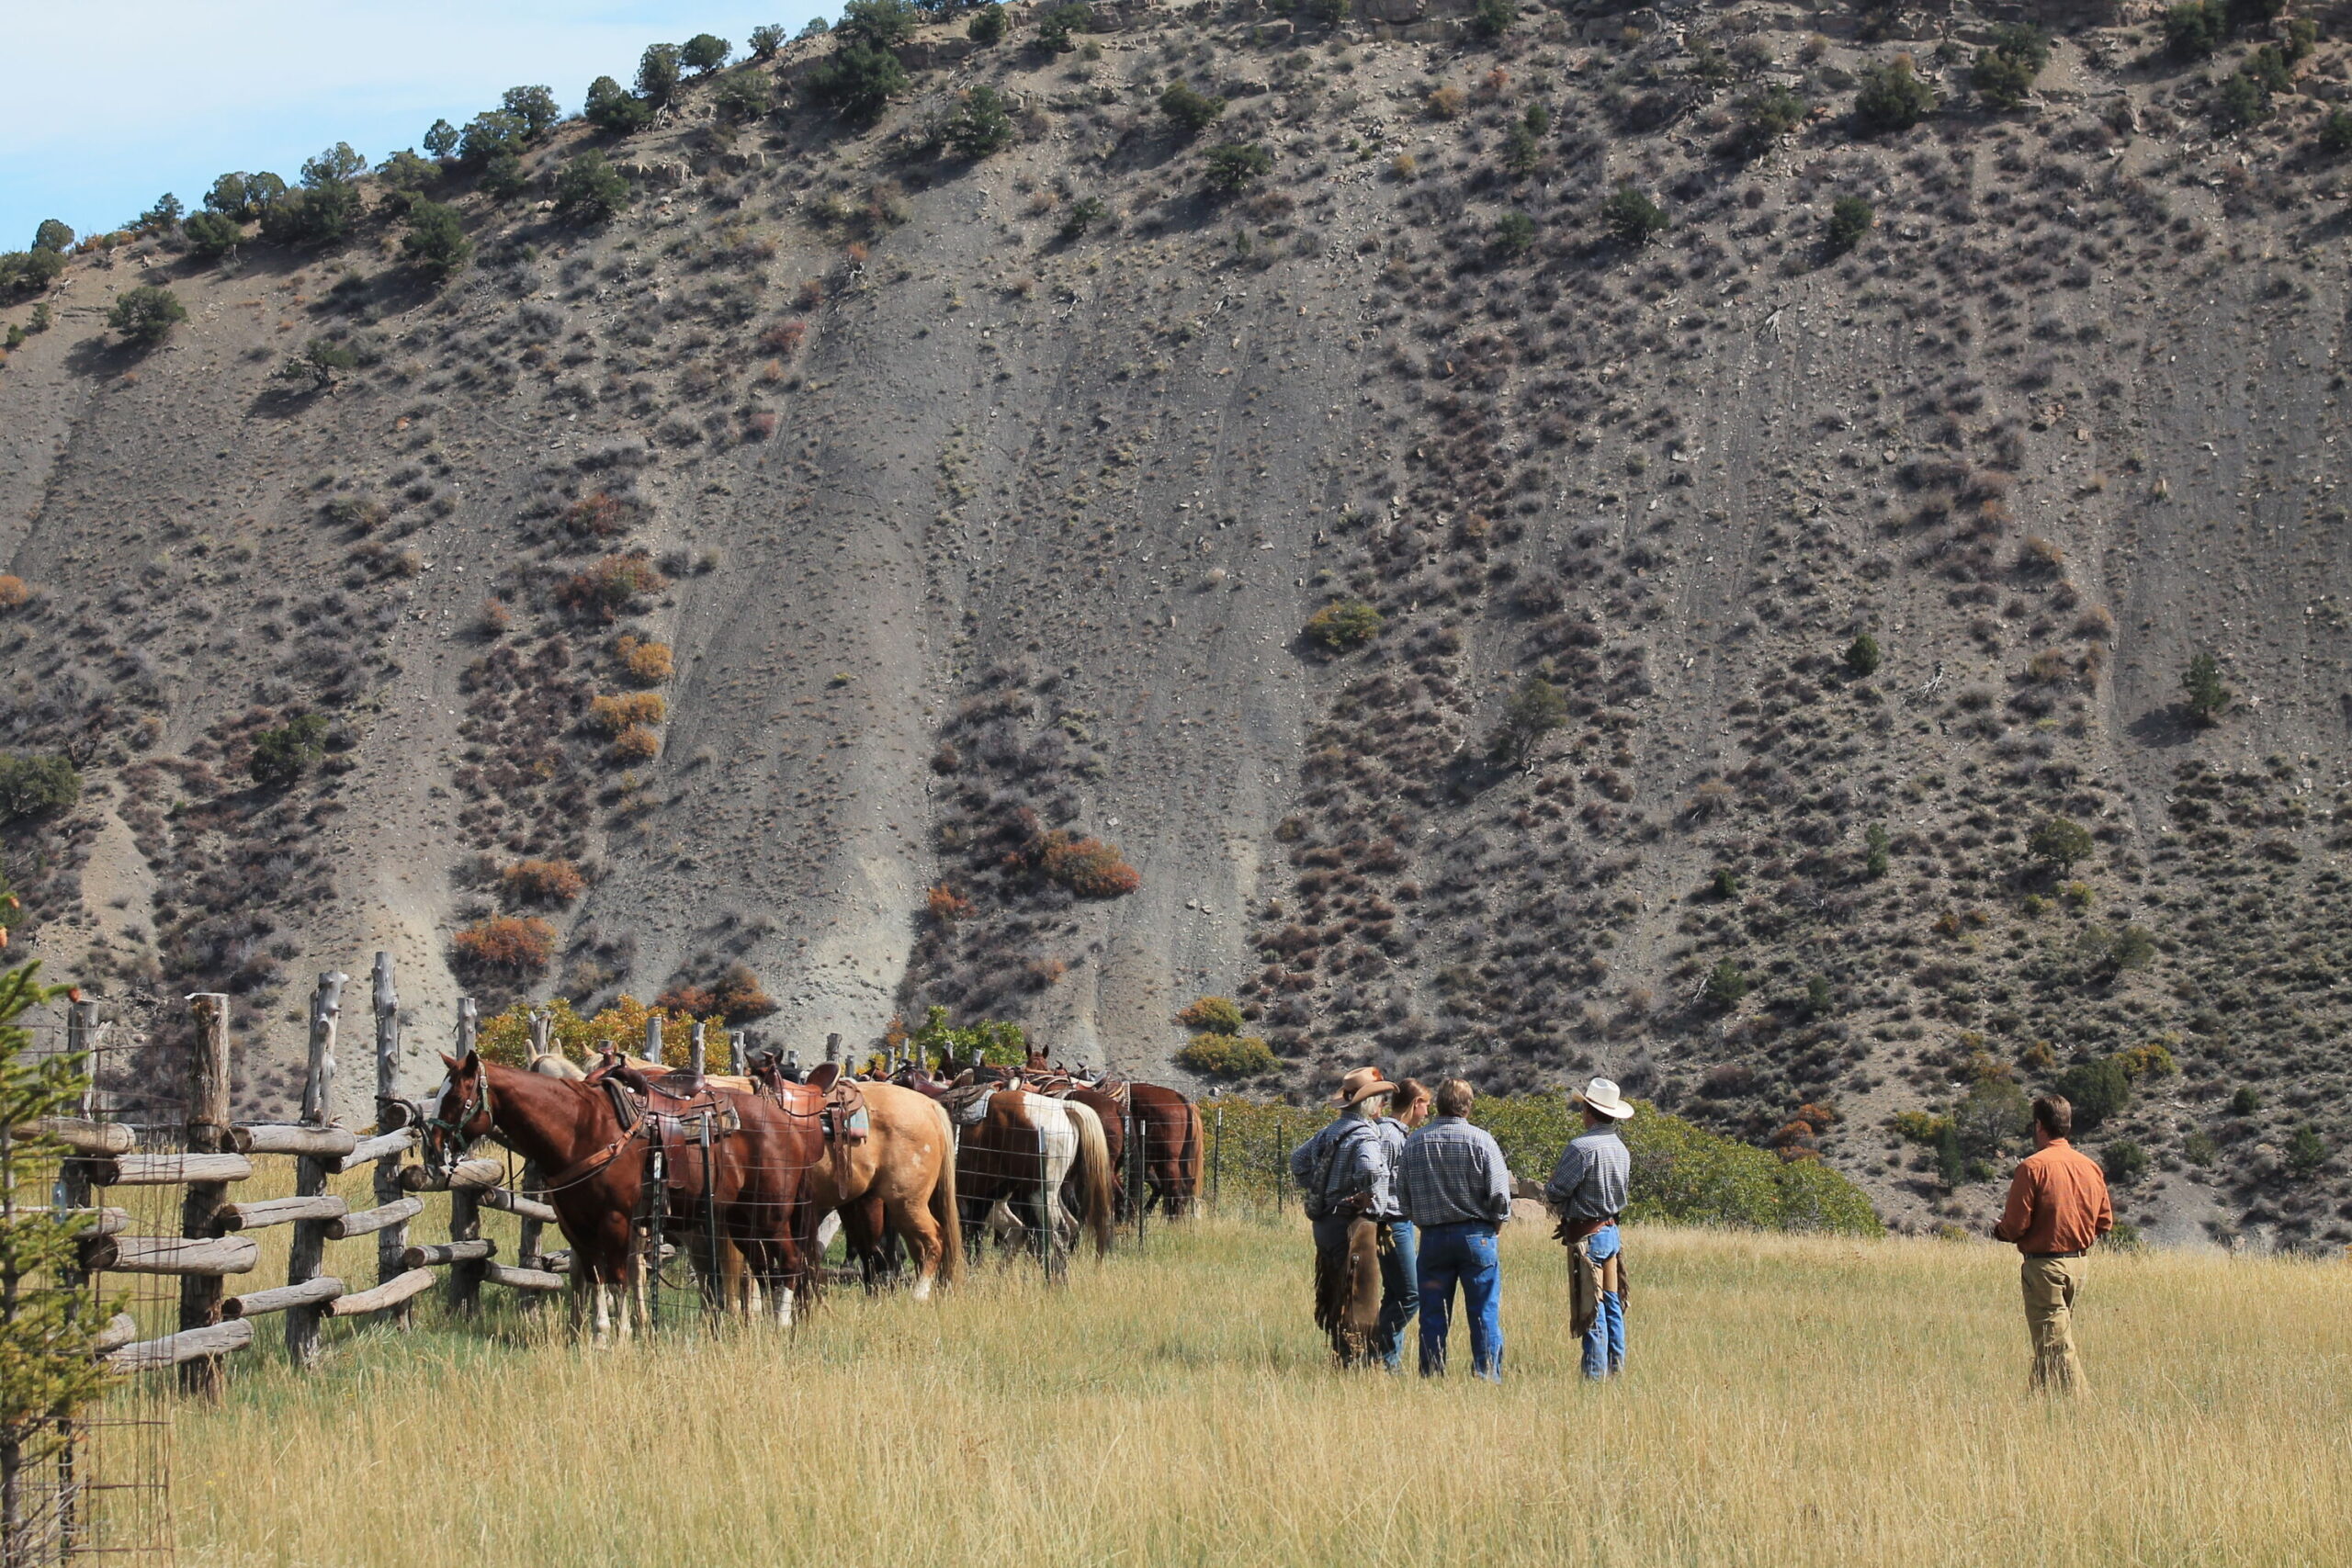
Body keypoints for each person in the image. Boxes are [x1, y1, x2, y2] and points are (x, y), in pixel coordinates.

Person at [1289, 1067, 1412, 1370]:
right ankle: (1357, 1361)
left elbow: (1298, 1160)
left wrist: (1318, 1185)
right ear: (1368, 1104)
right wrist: (1369, 1196)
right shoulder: (1365, 1134)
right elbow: (1370, 1169)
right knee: (1359, 1295)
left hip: (1324, 1223)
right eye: (1380, 1099)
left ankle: (1341, 1355)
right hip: (1353, 1226)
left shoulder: (1331, 1131)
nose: (1383, 1104)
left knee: (1334, 1292)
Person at [1992, 1094, 2112, 1394]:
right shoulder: (2090, 1167)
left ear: (2039, 1126)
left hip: (2044, 1267)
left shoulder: (2032, 1168)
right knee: (2052, 1338)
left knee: (2057, 1345)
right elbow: (2105, 1222)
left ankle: (2085, 1412)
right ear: (2067, 1125)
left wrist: (2000, 1232)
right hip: (2079, 1265)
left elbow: (2016, 1225)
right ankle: (2035, 1405)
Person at [1396, 1077, 1513, 1381]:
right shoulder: (1482, 1140)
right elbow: (1500, 1195)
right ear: (1468, 1106)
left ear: (1438, 1105)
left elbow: (1402, 1194)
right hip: (1477, 1237)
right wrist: (1497, 1224)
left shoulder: (1415, 1142)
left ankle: (1432, 1375)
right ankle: (1487, 1375)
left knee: (1433, 1314)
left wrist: (1420, 1219)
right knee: (1483, 1311)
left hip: (1433, 1239)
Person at [1546, 1077, 1633, 1381]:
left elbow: (1557, 1190)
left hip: (1588, 1236)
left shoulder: (1581, 1147)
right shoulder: (1620, 1148)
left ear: (1589, 1112)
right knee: (1611, 1304)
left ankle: (1594, 1377)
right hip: (1610, 1231)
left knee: (1591, 1307)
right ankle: (1615, 1368)